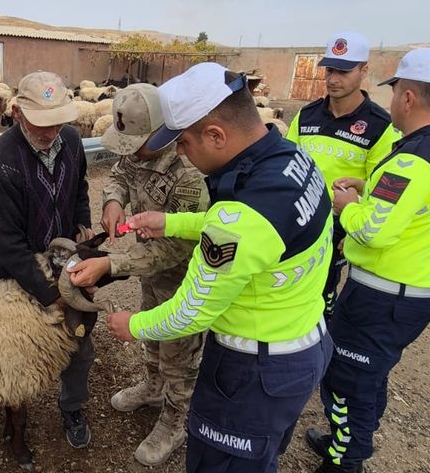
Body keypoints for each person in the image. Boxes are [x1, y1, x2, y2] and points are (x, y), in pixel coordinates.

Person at [106, 62, 334, 472]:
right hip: (300, 342)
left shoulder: (241, 216)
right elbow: (259, 235)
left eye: (185, 142)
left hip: (255, 368)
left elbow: (192, 310)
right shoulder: (291, 158)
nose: (178, 152)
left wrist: (133, 325)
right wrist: (170, 222)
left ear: (216, 134)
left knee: (223, 464)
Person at [305, 49, 430, 473]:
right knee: (371, 374)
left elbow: (371, 230)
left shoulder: (412, 160)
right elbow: (423, 202)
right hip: (421, 290)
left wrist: (347, 205)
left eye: (396, 92)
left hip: (381, 296)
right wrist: (372, 185)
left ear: (408, 97)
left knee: (347, 380)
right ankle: (347, 440)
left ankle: (345, 461)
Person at [66, 84, 208, 466]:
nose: (128, 150)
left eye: (135, 142)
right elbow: (119, 174)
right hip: (152, 276)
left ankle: (176, 419)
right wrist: (113, 201)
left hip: (184, 281)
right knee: (151, 333)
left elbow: (173, 249)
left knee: (179, 351)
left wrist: (111, 263)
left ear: (162, 133)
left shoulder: (190, 174)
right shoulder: (138, 153)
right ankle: (152, 386)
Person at [0, 71, 95, 449]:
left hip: (62, 261)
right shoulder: (0, 161)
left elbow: (79, 190)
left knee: (78, 340)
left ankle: (72, 405)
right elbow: (6, 243)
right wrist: (50, 295)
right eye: (41, 123)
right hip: (14, 271)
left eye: (58, 121)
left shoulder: (72, 141)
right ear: (16, 112)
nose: (50, 132)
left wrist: (83, 225)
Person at [286, 32, 401, 321]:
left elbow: (381, 185)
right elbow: (286, 164)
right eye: (329, 69)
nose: (333, 79)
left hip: (338, 226)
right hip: (295, 220)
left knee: (322, 294)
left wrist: (351, 229)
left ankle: (318, 350)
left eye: (343, 71)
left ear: (363, 71)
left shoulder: (380, 125)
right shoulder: (306, 116)